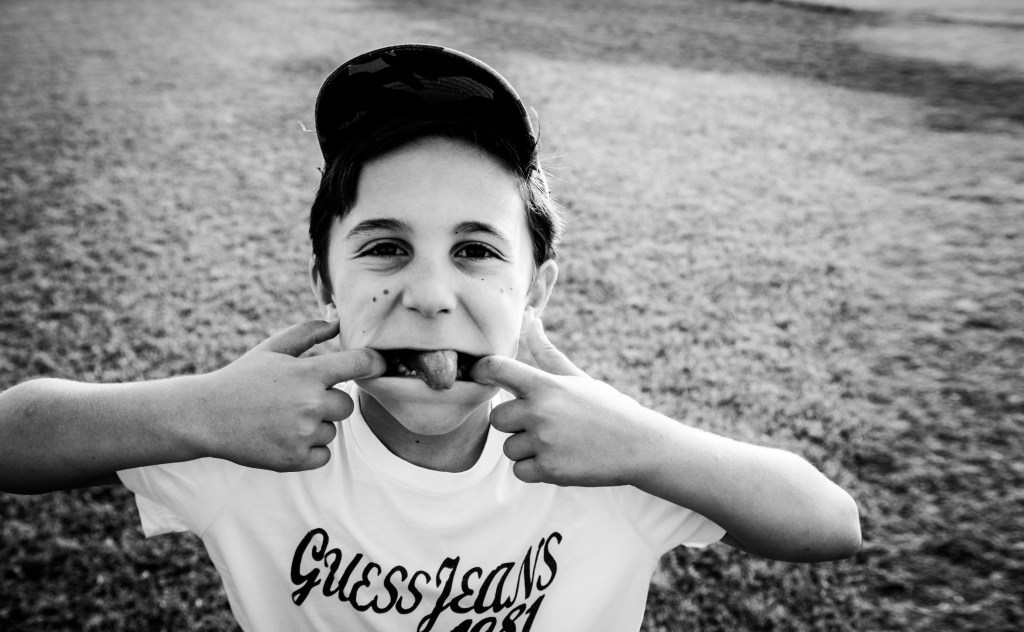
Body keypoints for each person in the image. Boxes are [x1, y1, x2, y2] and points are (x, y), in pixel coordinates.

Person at [0, 44, 860, 631]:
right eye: (385, 248)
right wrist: (194, 410)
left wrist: (648, 444)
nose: (430, 296)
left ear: (535, 292)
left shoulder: (605, 455)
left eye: (476, 251)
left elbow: (830, 524)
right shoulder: (247, 441)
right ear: (325, 285)